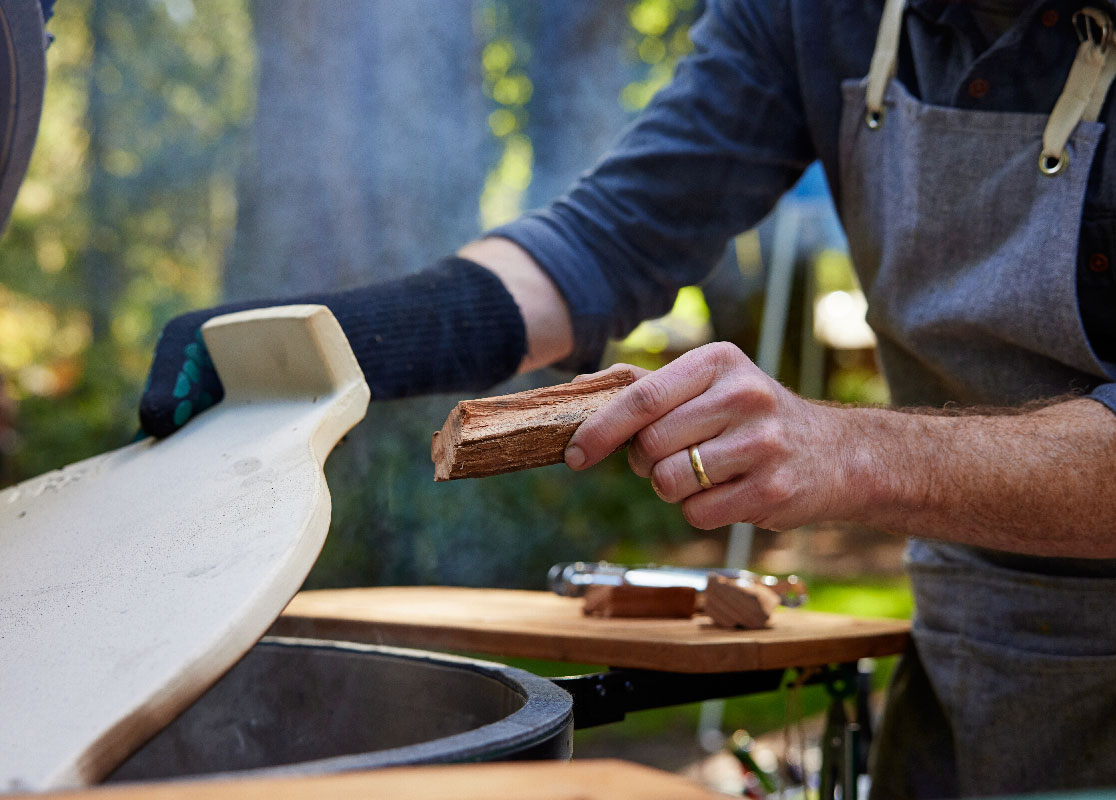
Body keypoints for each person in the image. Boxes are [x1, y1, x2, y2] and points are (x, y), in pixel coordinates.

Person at [140, 1, 1116, 796]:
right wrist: (332, 341)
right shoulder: (818, 13)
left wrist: (854, 450)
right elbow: (608, 244)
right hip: (973, 654)